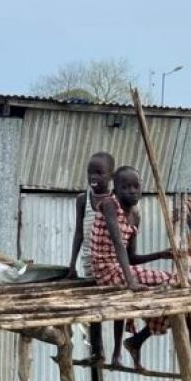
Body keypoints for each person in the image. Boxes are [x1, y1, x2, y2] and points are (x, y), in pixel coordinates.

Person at [91, 167, 191, 374]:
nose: (132, 191)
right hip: (107, 271)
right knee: (179, 285)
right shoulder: (110, 205)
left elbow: (132, 257)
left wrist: (161, 254)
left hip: (122, 269)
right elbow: (118, 244)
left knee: (180, 293)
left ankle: (139, 340)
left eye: (136, 187)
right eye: (125, 187)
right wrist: (131, 282)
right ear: (115, 189)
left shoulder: (135, 216)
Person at [66, 151, 116, 363]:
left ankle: (116, 354)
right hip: (89, 263)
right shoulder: (82, 200)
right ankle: (97, 351)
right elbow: (79, 232)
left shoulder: (116, 200)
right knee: (94, 309)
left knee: (114, 308)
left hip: (110, 263)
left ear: (111, 176)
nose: (93, 177)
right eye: (90, 173)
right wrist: (71, 264)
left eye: (99, 173)